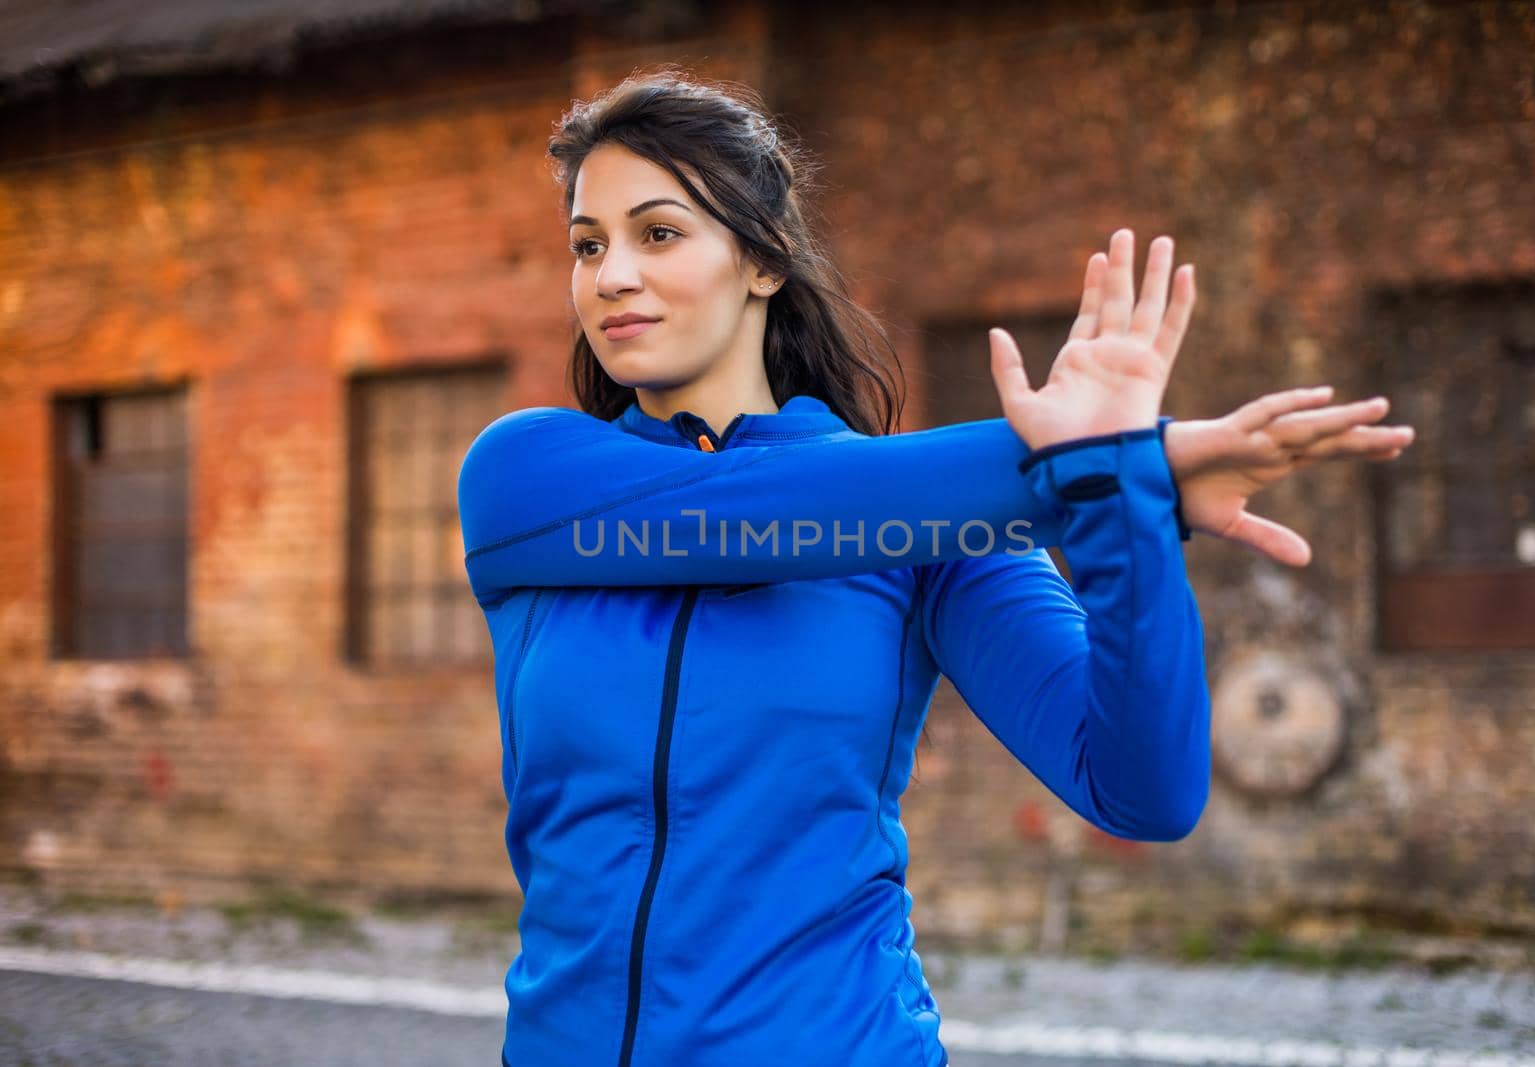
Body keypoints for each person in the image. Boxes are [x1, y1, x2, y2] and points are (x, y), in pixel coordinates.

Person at [456, 71, 1413, 1067]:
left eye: (657, 233)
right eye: (587, 243)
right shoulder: (527, 481)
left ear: (763, 261)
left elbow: (1144, 790)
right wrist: (1121, 465)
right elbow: (754, 514)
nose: (609, 274)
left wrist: (1120, 512)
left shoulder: (928, 529)